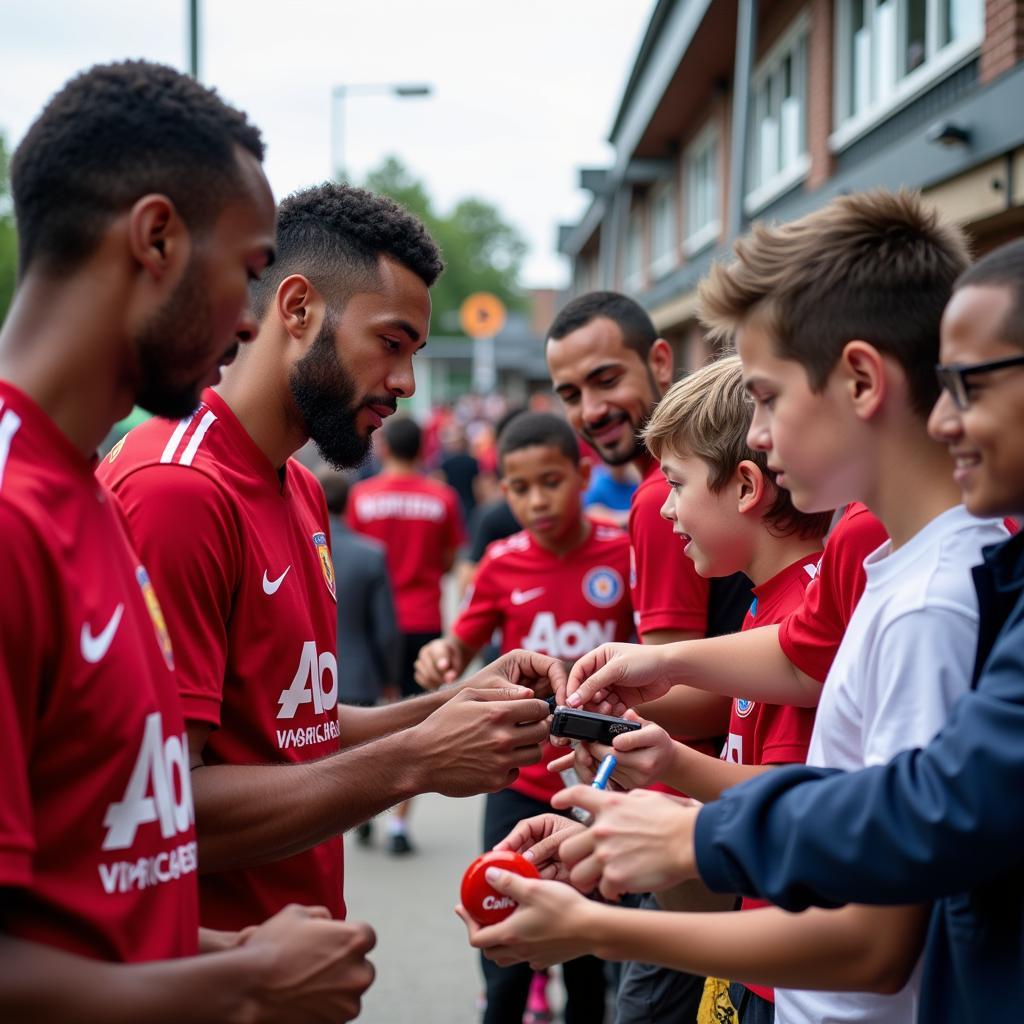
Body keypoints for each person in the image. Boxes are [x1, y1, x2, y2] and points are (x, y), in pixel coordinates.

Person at [470, 191, 1010, 1023]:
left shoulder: (926, 601)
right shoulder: (881, 552)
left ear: (861, 380)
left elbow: (873, 939)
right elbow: (802, 661)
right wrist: (661, 675)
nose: (754, 433)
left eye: (765, 396)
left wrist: (606, 925)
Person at [0, 60, 377, 1022]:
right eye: (249, 271)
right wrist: (242, 981)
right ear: (157, 238)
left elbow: (95, 878)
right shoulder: (17, 512)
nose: (253, 319)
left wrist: (225, 949)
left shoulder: (83, 484)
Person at [97, 181, 559, 934]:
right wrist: (415, 763)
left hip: (291, 970)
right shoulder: (175, 490)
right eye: (390, 342)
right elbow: (157, 811)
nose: (406, 384)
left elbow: (290, 731)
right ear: (298, 307)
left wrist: (454, 707)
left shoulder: (304, 489)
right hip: (204, 979)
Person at [548, 355, 831, 1018]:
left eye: (676, 484)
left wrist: (669, 766)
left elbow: (793, 812)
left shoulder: (798, 609)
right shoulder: (769, 608)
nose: (666, 509)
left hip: (788, 975)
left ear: (746, 486)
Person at [546, 291, 753, 1021]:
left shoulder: (651, 506)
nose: (590, 409)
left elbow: (690, 687)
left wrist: (586, 717)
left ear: (660, 360)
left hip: (692, 817)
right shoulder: (658, 498)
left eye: (606, 380)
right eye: (569, 394)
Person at [418, 410, 633, 1024]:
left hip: (598, 788)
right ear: (501, 488)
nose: (536, 500)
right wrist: (440, 656)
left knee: (590, 964)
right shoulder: (500, 562)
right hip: (516, 786)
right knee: (504, 949)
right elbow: (459, 645)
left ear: (582, 473)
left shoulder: (624, 552)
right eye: (519, 487)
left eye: (551, 481)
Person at [348, 413, 465, 853]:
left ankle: (359, 807)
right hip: (422, 621)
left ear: (386, 449)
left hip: (370, 623)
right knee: (416, 721)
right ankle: (398, 824)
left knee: (366, 717)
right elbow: (452, 561)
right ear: (422, 450)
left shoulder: (361, 496)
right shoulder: (442, 498)